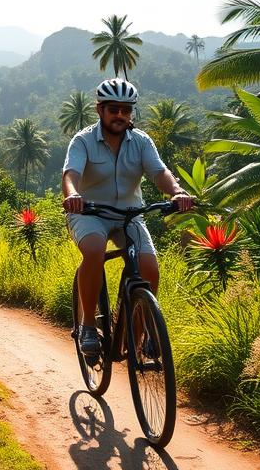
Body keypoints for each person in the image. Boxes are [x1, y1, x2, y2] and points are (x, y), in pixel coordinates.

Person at [62, 78, 193, 355]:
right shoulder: (83, 141)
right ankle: (87, 324)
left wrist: (177, 191)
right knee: (95, 250)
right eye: (113, 109)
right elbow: (71, 174)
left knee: (149, 267)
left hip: (130, 215)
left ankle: (136, 336)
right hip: (89, 213)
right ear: (100, 110)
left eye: (126, 110)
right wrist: (73, 195)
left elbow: (160, 173)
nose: (120, 115)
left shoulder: (142, 141)